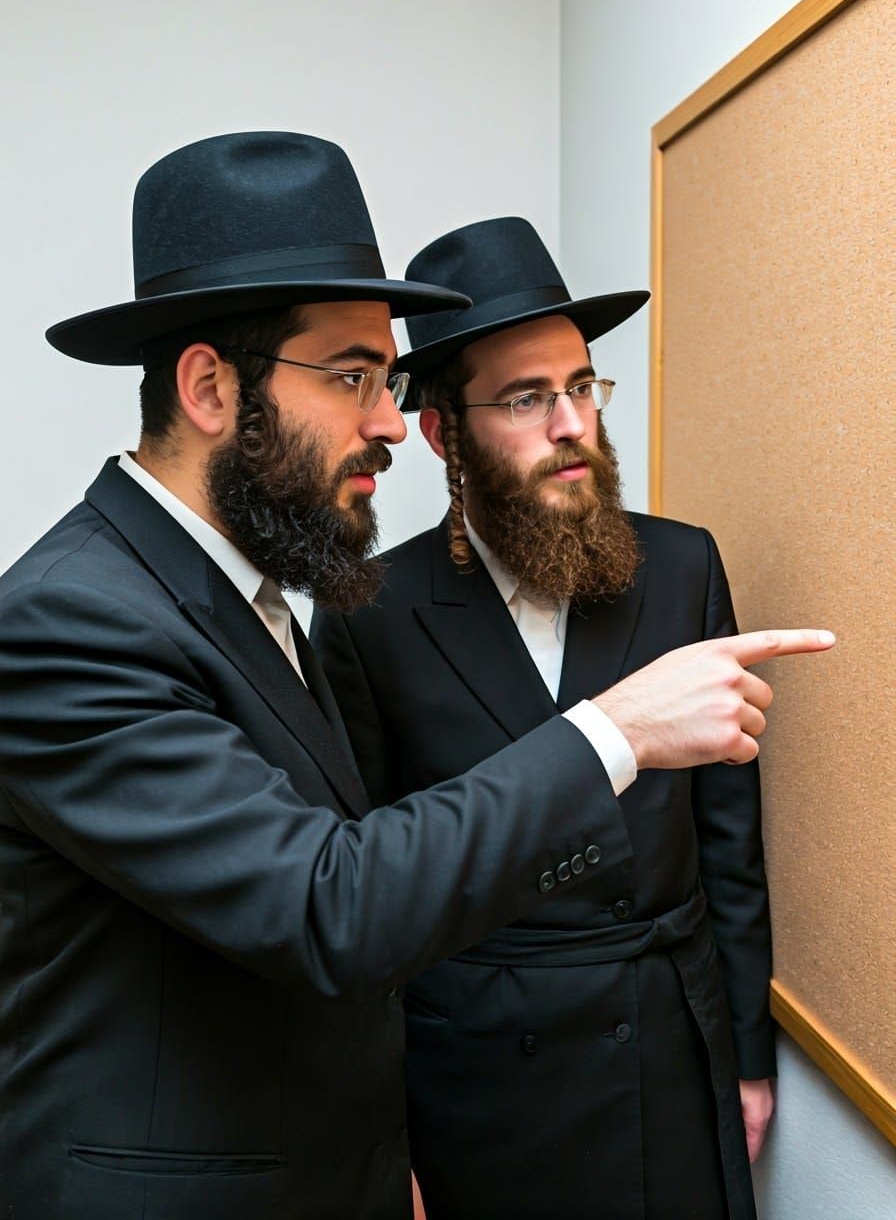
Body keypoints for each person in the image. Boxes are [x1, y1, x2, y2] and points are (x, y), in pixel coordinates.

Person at [0, 143, 827, 1220]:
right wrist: (611, 730)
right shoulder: (71, 618)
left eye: (386, 382)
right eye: (352, 376)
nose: (387, 421)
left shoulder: (245, 601)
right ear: (209, 386)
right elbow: (330, 898)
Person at [312, 217, 800, 1220]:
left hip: (665, 1052)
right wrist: (377, 1136)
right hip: (481, 1081)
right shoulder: (369, 609)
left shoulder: (680, 567)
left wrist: (746, 1056)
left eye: (580, 386)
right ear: (445, 432)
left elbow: (728, 844)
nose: (571, 422)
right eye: (527, 398)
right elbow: (365, 894)